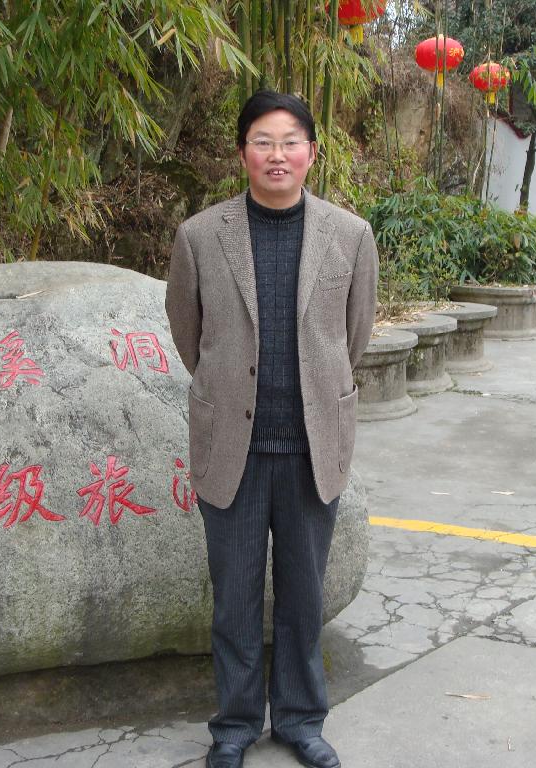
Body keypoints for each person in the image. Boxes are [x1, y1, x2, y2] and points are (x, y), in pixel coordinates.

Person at [165, 90, 377, 768]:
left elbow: (354, 336)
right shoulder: (201, 236)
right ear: (242, 153)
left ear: (312, 152)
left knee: (302, 598)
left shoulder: (350, 235)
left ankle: (300, 719)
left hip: (314, 445)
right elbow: (189, 334)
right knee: (233, 599)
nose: (277, 154)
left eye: (290, 142)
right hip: (233, 446)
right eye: (263, 141)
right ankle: (233, 727)